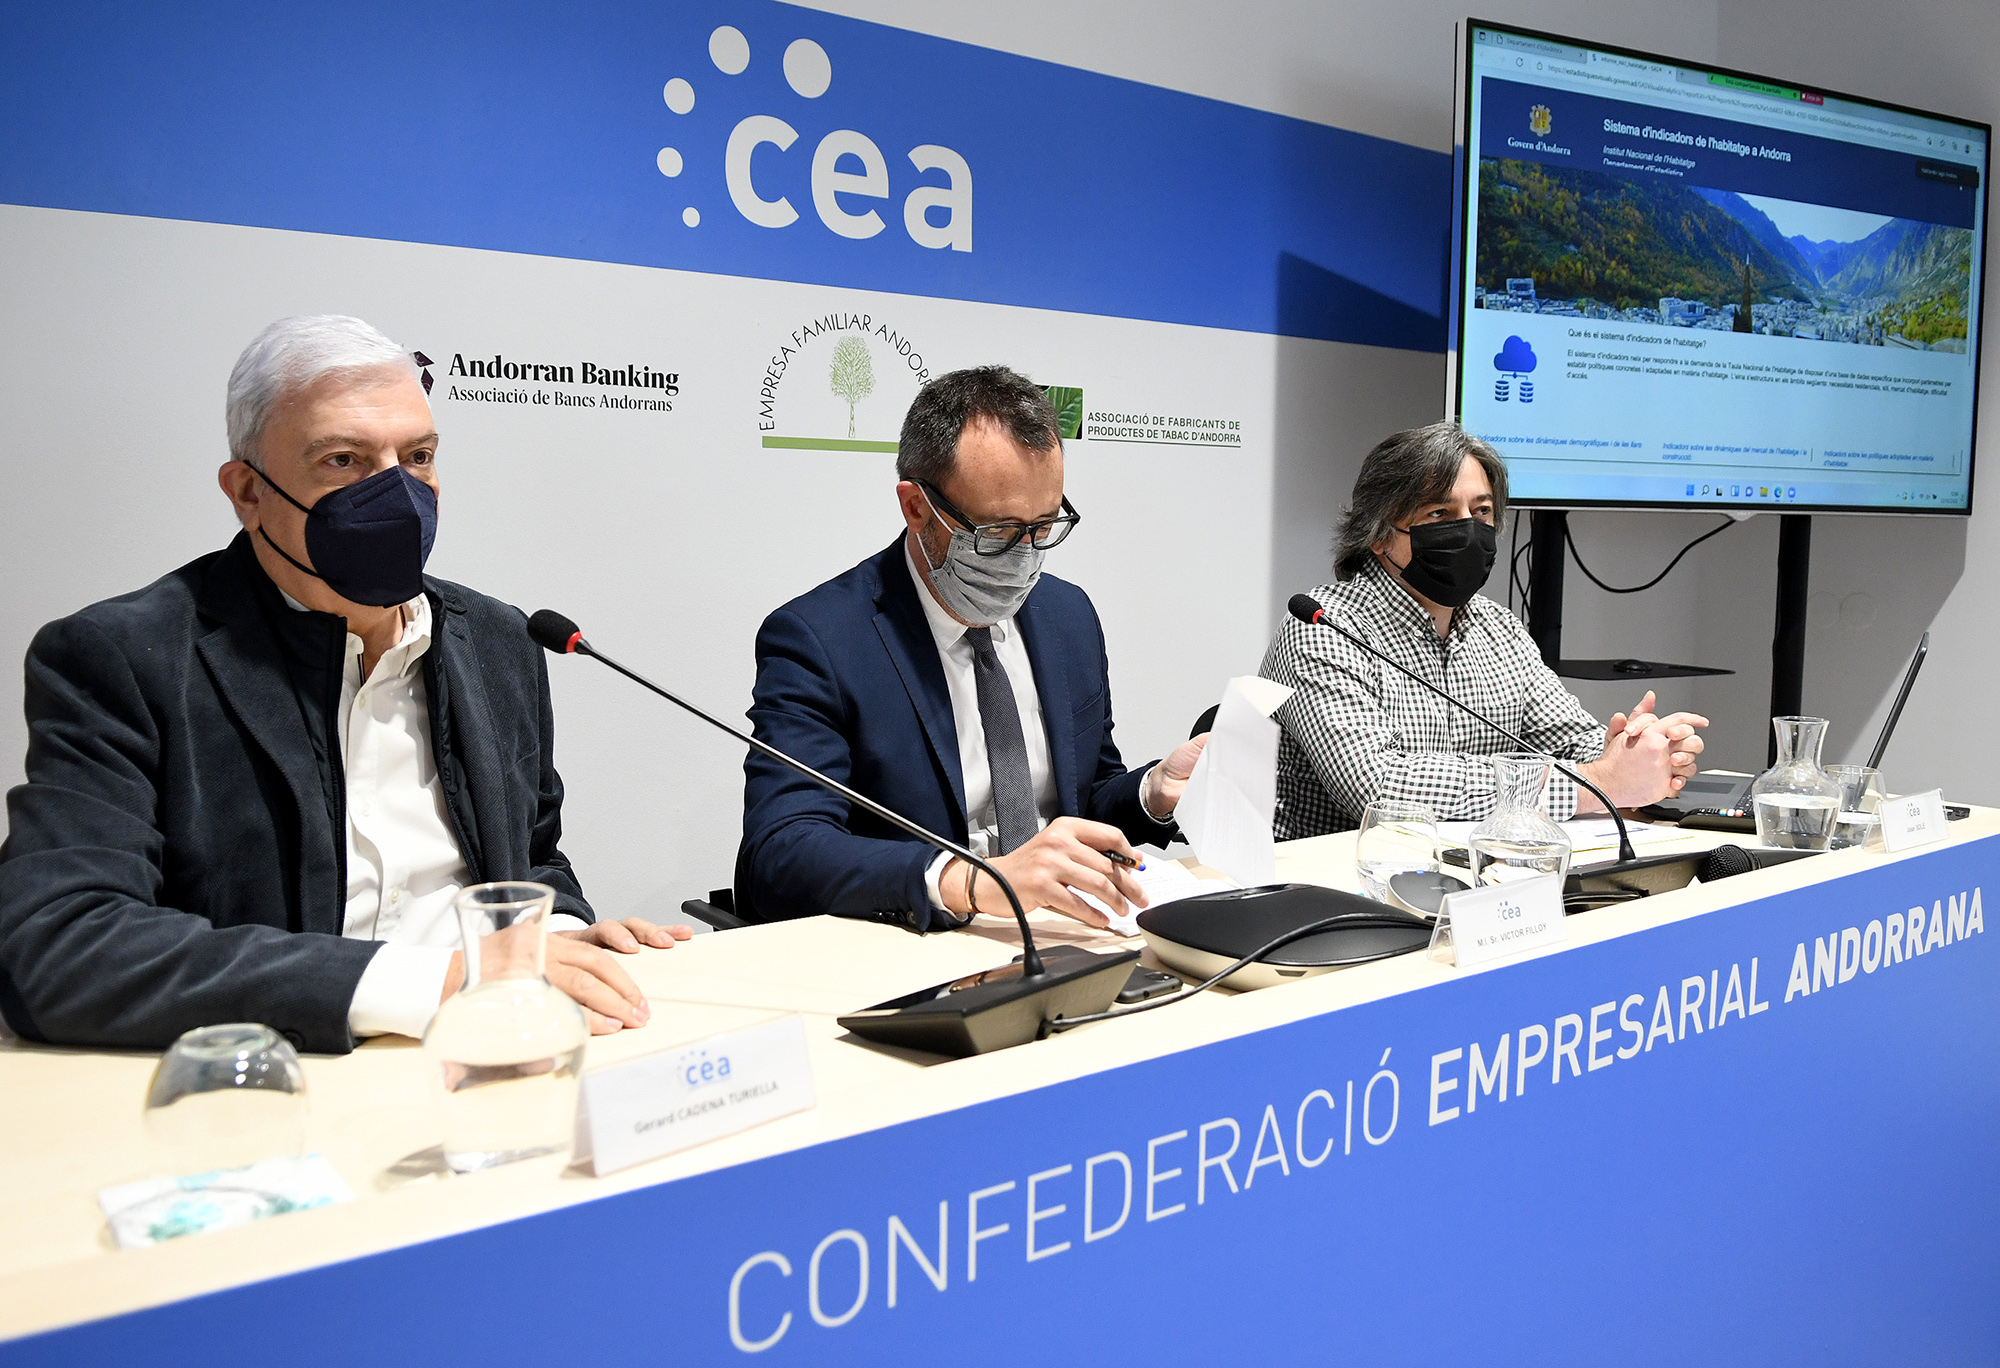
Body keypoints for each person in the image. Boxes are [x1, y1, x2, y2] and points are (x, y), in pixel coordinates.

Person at [0, 315, 687, 1053]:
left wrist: (555, 937)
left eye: (417, 457)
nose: (396, 492)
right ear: (247, 492)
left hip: (497, 1046)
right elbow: (60, 944)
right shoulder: (123, 657)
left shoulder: (499, 640)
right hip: (283, 1073)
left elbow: (534, 857)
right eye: (343, 460)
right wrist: (436, 982)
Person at [737, 366, 1207, 930]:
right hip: (921, 943)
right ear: (916, 507)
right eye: (998, 532)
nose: (1025, 556)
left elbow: (1086, 801)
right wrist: (971, 882)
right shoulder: (821, 640)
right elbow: (781, 852)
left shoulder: (1067, 616)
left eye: (1043, 526)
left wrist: (1154, 791)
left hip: (1068, 934)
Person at [1260, 421, 1705, 838]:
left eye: (1482, 511)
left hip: (1477, 870)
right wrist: (1595, 784)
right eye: (1439, 513)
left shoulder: (1498, 627)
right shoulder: (1323, 628)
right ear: (1378, 534)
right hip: (1339, 878)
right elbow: (1380, 787)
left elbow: (1567, 737)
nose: (1468, 530)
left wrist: (1633, 750)